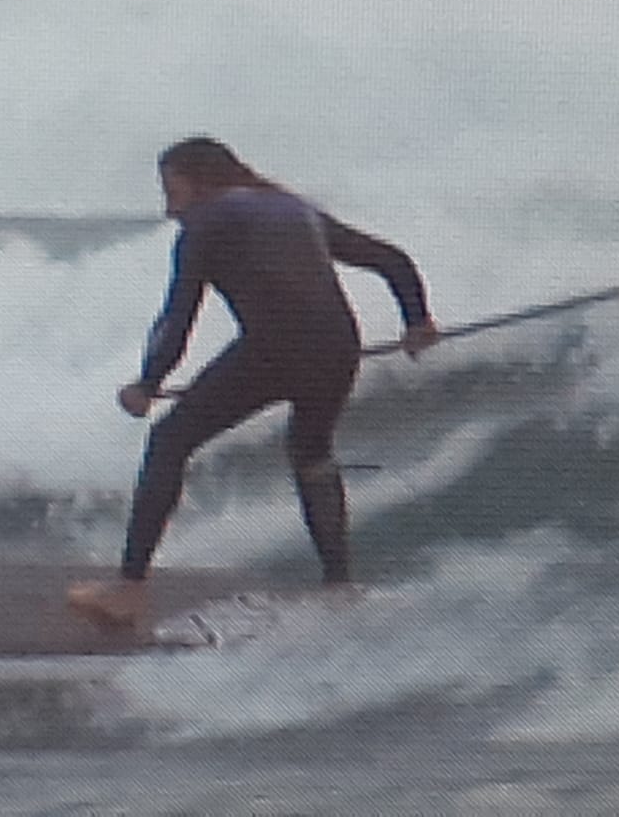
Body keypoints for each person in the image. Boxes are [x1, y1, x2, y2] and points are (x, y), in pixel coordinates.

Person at [67, 137, 438, 627]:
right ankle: (340, 584)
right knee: (311, 452)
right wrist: (417, 321)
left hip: (275, 351)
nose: (168, 206)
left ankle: (129, 589)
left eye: (171, 189)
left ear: (199, 183)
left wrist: (147, 384)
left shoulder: (206, 225)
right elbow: (390, 259)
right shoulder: (293, 208)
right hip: (338, 349)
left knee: (168, 440)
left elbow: (177, 319)